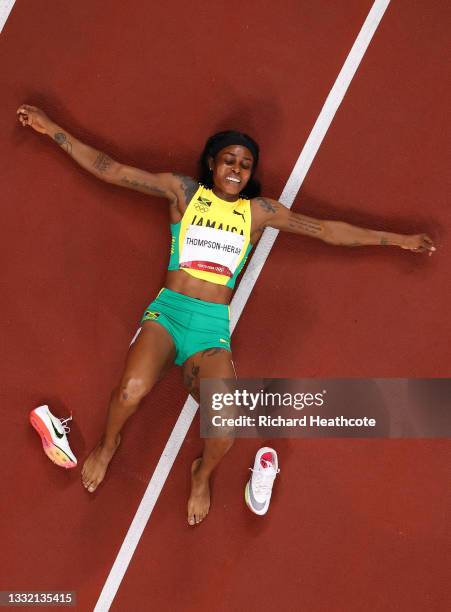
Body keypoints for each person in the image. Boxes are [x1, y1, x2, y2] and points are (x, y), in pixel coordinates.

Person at [16, 104, 436, 525]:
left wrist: (397, 240)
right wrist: (51, 128)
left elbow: (327, 230)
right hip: (168, 314)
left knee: (226, 431)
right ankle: (108, 444)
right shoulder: (183, 192)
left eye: (245, 164)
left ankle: (202, 474)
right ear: (212, 164)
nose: (237, 169)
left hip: (211, 330)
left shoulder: (258, 213)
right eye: (229, 160)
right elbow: (111, 169)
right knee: (130, 390)